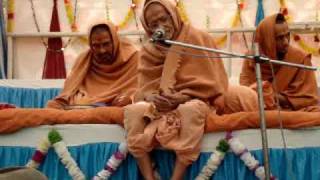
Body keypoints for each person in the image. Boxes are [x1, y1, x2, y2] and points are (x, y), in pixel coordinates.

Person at [123, 0, 258, 179]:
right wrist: (151, 97)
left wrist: (183, 97)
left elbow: (216, 83)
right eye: (153, 24)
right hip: (159, 106)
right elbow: (143, 89)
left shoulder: (199, 39)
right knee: (133, 111)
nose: (160, 26)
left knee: (190, 110)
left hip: (196, 100)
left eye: (164, 19)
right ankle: (148, 176)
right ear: (147, 27)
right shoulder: (148, 50)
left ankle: (177, 176)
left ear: (173, 15)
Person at [47, 21, 139, 109]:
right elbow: (69, 90)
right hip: (89, 104)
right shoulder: (84, 59)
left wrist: (130, 98)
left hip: (120, 103)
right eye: (96, 46)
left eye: (106, 44)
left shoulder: (133, 56)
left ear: (114, 40)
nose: (102, 50)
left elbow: (143, 88)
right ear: (90, 45)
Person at [240, 13, 319, 111]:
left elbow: (309, 99)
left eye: (287, 35)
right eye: (280, 38)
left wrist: (271, 96)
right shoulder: (251, 59)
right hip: (259, 111)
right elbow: (245, 93)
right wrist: (263, 96)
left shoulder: (300, 58)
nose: (286, 42)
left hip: (292, 112)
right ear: (267, 39)